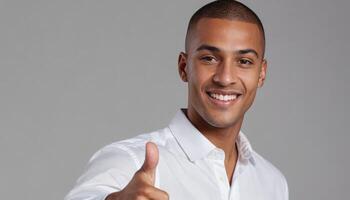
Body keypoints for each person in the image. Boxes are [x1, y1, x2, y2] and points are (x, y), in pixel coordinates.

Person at [65, 0, 289, 199]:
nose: (225, 78)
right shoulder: (131, 161)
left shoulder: (272, 183)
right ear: (184, 67)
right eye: (209, 58)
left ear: (261, 73)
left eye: (244, 61)